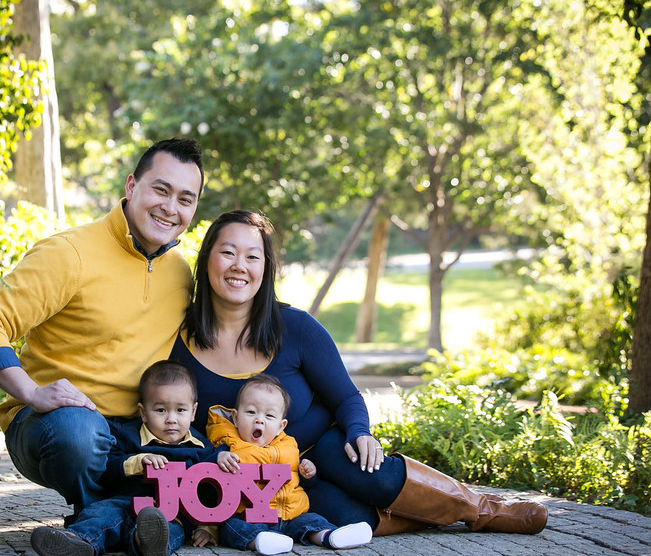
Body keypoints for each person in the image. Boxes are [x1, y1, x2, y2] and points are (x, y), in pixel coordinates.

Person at [171, 209, 548, 536]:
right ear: (207, 260)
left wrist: (359, 431)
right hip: (264, 483)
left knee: (370, 472)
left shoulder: (296, 328)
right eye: (227, 252)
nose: (240, 265)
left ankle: (484, 510)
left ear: (265, 268)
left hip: (321, 448)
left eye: (253, 256)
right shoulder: (179, 339)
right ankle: (426, 515)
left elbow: (347, 397)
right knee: (346, 516)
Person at [0, 139, 204, 519]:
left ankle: (109, 522)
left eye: (186, 200)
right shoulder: (69, 253)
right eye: (161, 189)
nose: (171, 208)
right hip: (58, 426)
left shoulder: (179, 272)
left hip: (137, 432)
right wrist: (31, 392)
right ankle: (113, 513)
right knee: (79, 433)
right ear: (131, 186)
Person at [30, 360, 223, 556]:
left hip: (170, 512)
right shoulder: (128, 436)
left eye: (180, 410)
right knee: (100, 513)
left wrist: (207, 526)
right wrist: (136, 463)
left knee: (168, 528)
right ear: (143, 412)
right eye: (160, 410)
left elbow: (210, 490)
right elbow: (106, 469)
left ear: (193, 412)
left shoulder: (201, 447)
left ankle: (147, 544)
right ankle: (78, 542)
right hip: (125, 502)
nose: (171, 419)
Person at [208, 374, 373, 555]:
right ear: (235, 417)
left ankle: (330, 536)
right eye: (251, 412)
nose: (259, 420)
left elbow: (299, 479)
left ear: (281, 426)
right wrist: (220, 457)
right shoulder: (231, 444)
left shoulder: (289, 447)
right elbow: (207, 469)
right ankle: (259, 541)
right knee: (231, 527)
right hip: (249, 516)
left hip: (291, 515)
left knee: (312, 521)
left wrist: (308, 474)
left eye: (269, 415)